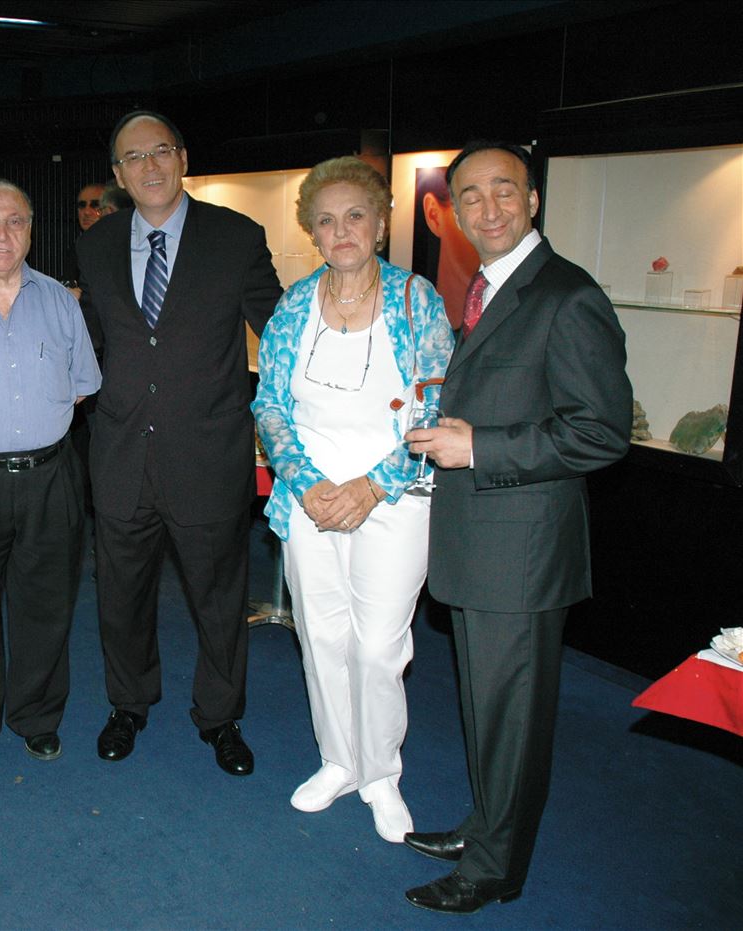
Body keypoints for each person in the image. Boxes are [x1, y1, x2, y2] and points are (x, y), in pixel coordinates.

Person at [403, 141, 632, 914]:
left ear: (533, 200)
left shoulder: (567, 296)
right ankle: (485, 825)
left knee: (513, 716)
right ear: (454, 212)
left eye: (504, 190)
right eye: (470, 196)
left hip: (522, 554)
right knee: (488, 711)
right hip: (482, 543)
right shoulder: (493, 287)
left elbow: (601, 432)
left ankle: (496, 866)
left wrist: (479, 447)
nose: (488, 208)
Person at [251, 156, 454, 843]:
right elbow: (270, 405)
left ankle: (381, 774)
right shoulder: (291, 307)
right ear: (312, 231)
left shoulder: (416, 301)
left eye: (355, 216)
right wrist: (306, 483)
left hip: (392, 497)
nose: (341, 231)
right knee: (322, 637)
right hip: (310, 497)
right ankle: (339, 761)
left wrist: (371, 487)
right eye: (326, 220)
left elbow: (435, 407)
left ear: (380, 224)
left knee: (377, 648)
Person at [76, 110, 282, 776]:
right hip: (121, 456)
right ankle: (128, 703)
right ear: (118, 173)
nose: (150, 166)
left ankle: (220, 716)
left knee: (219, 601)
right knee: (120, 598)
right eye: (134, 157)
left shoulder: (236, 236)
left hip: (207, 456)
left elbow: (282, 332)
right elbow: (90, 341)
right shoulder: (97, 244)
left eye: (161, 151)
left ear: (183, 157)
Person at [0, 179, 101, 768]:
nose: (2, 233)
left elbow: (82, 387)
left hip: (50, 478)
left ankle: (36, 715)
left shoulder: (60, 301)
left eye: (15, 221)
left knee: (47, 605)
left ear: (31, 231)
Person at [415, 171, 481, 329]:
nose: (490, 217)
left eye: (504, 195)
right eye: (471, 202)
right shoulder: (405, 311)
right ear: (433, 215)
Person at [60, 182, 108, 294]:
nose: (86, 212)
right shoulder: (77, 248)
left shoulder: (123, 246)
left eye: (95, 205)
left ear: (110, 209)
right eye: (82, 205)